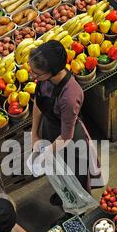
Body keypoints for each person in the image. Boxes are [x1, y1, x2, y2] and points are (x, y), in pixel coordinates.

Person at [29, 40, 102, 206]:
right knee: (58, 171)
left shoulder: (70, 96)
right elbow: (38, 102)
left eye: (36, 74)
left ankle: (79, 207)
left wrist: (47, 153)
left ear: (52, 72)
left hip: (69, 140)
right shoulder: (44, 79)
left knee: (75, 174)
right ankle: (64, 194)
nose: (33, 76)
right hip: (50, 128)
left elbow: (66, 136)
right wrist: (35, 133)